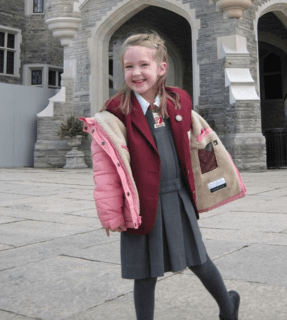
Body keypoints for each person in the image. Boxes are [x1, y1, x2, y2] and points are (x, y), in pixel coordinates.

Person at [87, 33, 240, 320]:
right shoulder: (116, 112)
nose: (136, 73)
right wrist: (111, 214)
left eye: (144, 65)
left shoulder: (179, 102)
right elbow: (105, 170)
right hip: (142, 203)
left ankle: (228, 307)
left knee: (199, 260)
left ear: (162, 68)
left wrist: (211, 183)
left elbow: (201, 143)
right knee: (144, 275)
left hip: (178, 197)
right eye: (128, 66)